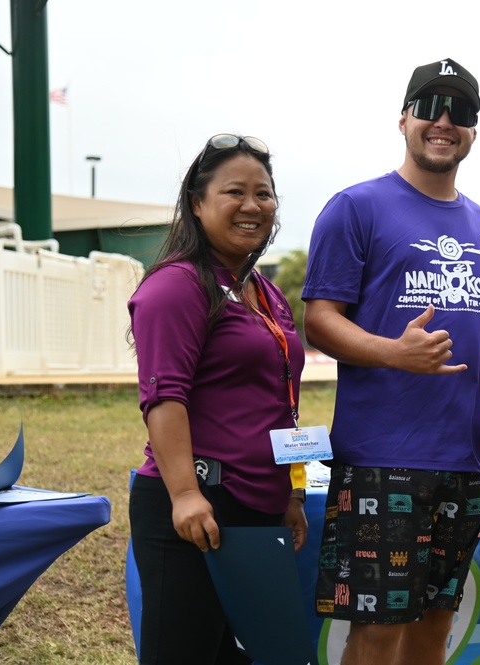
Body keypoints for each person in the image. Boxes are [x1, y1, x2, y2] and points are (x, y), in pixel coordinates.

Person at [301, 58, 480, 665]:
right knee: (376, 633)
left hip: (468, 461)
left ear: (475, 131)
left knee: (435, 627)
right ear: (403, 119)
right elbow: (319, 318)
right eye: (430, 107)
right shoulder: (356, 207)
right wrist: (394, 354)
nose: (444, 122)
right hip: (383, 460)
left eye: (462, 112)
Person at [128, 134, 307, 664]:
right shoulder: (176, 286)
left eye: (264, 194)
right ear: (197, 203)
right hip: (194, 507)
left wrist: (290, 494)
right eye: (235, 192)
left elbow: (282, 402)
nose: (253, 206)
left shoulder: (263, 292)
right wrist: (185, 494)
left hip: (256, 507)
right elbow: (163, 399)